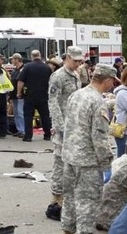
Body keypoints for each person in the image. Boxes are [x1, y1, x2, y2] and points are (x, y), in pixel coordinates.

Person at [60, 64, 116, 234]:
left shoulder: (77, 95)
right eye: (111, 82)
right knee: (88, 201)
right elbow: (99, 137)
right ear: (107, 80)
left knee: (69, 197)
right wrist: (107, 161)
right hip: (88, 159)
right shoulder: (97, 101)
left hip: (69, 155)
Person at [48, 46, 83, 206]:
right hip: (63, 125)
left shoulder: (76, 75)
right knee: (59, 161)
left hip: (75, 125)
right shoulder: (58, 76)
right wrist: (59, 127)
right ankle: (57, 196)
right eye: (75, 60)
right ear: (67, 58)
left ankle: (69, 193)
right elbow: (53, 102)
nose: (77, 64)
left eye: (79, 61)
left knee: (73, 161)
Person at [17, 50, 53, 142]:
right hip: (43, 95)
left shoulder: (27, 67)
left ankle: (28, 136)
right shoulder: (47, 67)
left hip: (30, 95)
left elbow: (21, 81)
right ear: (40, 55)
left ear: (31, 56)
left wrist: (19, 92)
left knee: (28, 116)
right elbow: (51, 81)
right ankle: (47, 135)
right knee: (45, 115)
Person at [9, 53, 25, 138]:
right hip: (14, 94)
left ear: (17, 59)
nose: (11, 61)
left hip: (21, 95)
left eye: (13, 59)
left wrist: (20, 92)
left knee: (20, 112)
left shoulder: (23, 69)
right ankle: (19, 129)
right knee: (16, 113)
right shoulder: (15, 70)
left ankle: (23, 130)